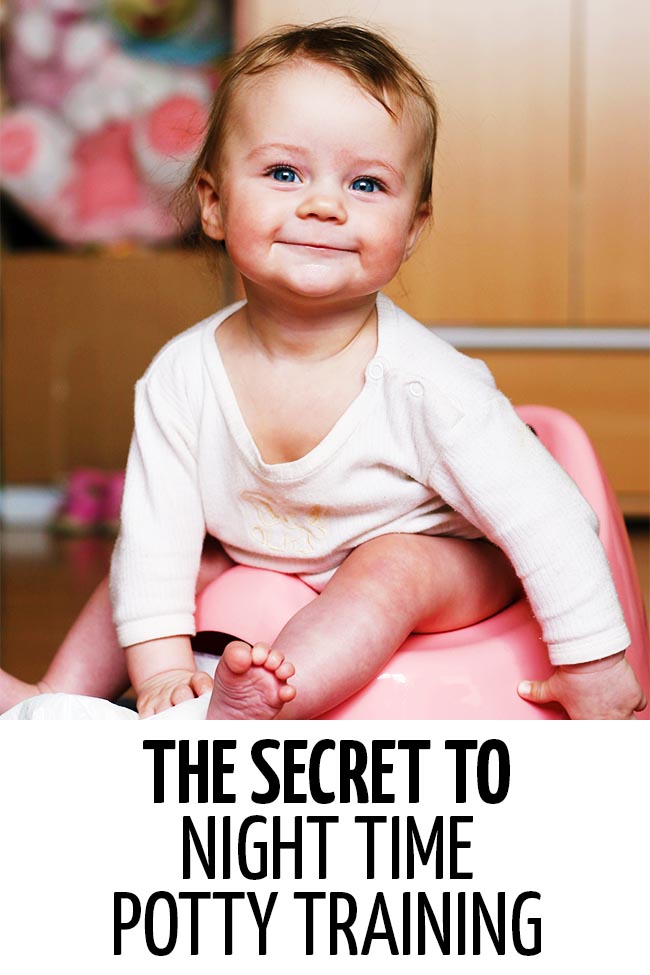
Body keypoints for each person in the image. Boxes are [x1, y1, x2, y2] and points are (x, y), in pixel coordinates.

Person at [1, 23, 645, 721]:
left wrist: (594, 665)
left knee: (391, 568)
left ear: (412, 228)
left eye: (366, 184)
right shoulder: (180, 377)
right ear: (213, 204)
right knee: (152, 562)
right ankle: (53, 702)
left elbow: (551, 519)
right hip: (270, 552)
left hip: (439, 558)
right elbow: (157, 533)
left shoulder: (429, 385)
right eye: (284, 173)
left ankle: (267, 704)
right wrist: (161, 671)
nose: (324, 204)